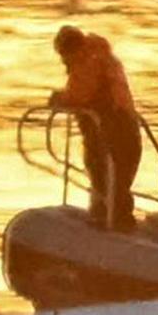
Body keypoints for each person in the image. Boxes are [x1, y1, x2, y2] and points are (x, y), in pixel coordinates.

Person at [48, 24, 142, 233]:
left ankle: (114, 222)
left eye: (63, 56)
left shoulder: (87, 62)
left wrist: (58, 99)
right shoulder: (102, 57)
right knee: (113, 177)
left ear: (68, 50)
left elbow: (79, 95)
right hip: (126, 128)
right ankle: (108, 215)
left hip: (110, 130)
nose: (64, 62)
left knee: (106, 174)